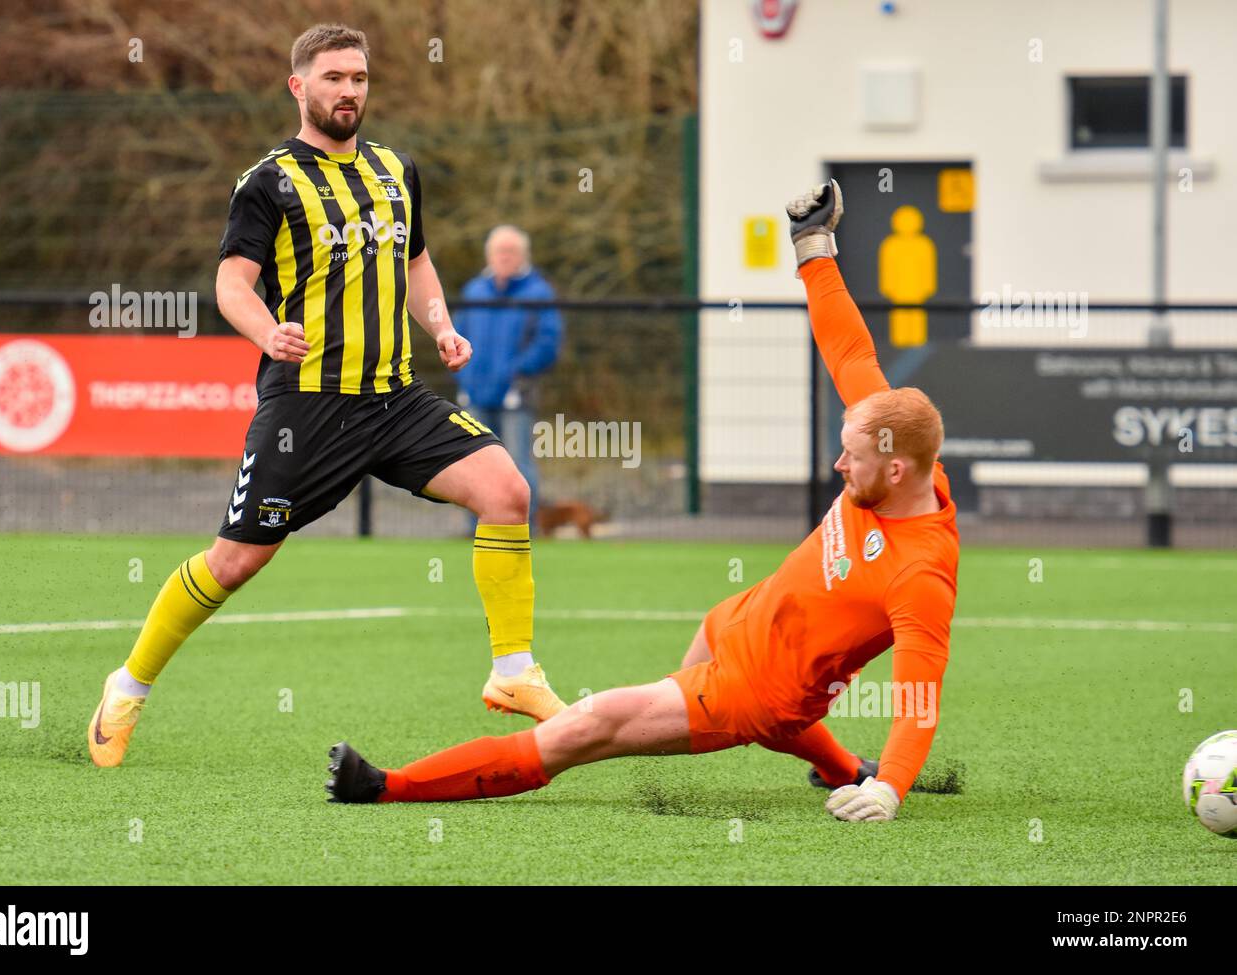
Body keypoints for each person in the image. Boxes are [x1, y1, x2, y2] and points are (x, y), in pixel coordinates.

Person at [324, 179, 961, 823]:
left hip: (753, 693)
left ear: (899, 468)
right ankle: (840, 768)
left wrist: (889, 791)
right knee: (640, 706)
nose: (839, 462)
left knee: (587, 727)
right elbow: (848, 347)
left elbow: (917, 695)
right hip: (732, 624)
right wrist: (812, 244)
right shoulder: (889, 433)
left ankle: (384, 785)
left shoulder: (921, 572)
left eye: (852, 457)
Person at [87, 23, 568, 769]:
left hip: (395, 398)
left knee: (506, 488)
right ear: (299, 86)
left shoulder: (395, 168)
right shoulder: (268, 181)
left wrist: (440, 328)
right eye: (334, 77)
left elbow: (416, 262)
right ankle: (127, 686)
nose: (349, 91)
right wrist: (265, 332)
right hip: (306, 407)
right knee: (234, 562)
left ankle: (514, 673)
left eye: (359, 78)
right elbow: (230, 284)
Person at [454, 226, 563, 526]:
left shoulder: (539, 293)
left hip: (517, 393)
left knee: (518, 463)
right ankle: (475, 528)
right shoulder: (474, 291)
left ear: (523, 256)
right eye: (499, 251)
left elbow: (547, 342)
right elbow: (456, 334)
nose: (504, 257)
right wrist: (465, 378)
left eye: (510, 252)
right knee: (473, 462)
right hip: (475, 393)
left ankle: (520, 528)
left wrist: (519, 372)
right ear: (489, 255)